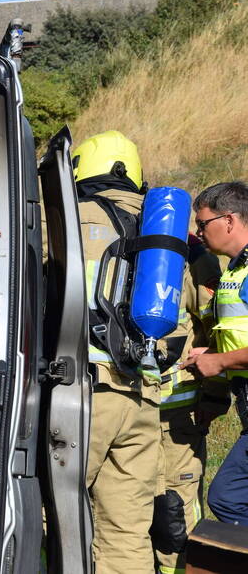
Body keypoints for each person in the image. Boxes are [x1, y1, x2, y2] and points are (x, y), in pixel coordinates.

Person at [71, 130, 170, 574]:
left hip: (87, 394)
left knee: (54, 512)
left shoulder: (70, 215)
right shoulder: (162, 233)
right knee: (126, 531)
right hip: (145, 397)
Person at [153, 232, 226, 574]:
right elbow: (217, 326)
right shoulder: (188, 249)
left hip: (168, 409)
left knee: (168, 514)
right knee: (169, 511)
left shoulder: (78, 227)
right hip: (170, 407)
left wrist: (213, 392)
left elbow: (219, 328)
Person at [181, 181, 248, 525]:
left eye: (203, 224)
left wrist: (220, 360)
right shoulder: (236, 270)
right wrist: (215, 350)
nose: (199, 232)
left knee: (228, 498)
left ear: (230, 220)